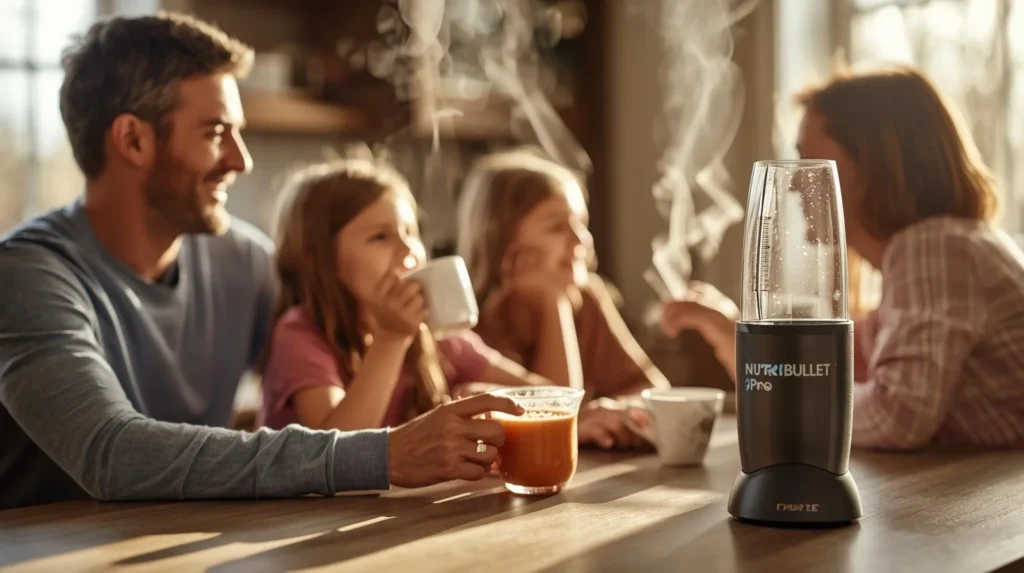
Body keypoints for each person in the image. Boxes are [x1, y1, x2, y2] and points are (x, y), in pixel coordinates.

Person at [0, 13, 520, 510]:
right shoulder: (28, 277)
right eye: (215, 133)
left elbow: (343, 339)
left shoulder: (243, 263)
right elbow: (113, 455)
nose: (241, 160)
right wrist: (385, 455)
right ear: (133, 140)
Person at [661, 66, 1024, 450]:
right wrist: (737, 335)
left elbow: (895, 416)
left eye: (810, 160)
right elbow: (839, 368)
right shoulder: (941, 247)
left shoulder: (935, 249)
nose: (799, 184)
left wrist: (753, 357)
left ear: (872, 164)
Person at [259, 159, 546, 432]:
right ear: (319, 260)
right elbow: (336, 454)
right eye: (380, 237)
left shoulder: (434, 332)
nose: (409, 250)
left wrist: (495, 400)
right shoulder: (299, 337)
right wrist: (391, 339)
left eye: (410, 232)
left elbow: (542, 394)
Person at [456, 149, 670, 449]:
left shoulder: (587, 298)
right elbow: (548, 421)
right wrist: (553, 302)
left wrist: (606, 411)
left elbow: (654, 391)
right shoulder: (466, 324)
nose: (582, 240)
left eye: (581, 222)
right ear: (499, 239)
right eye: (557, 227)